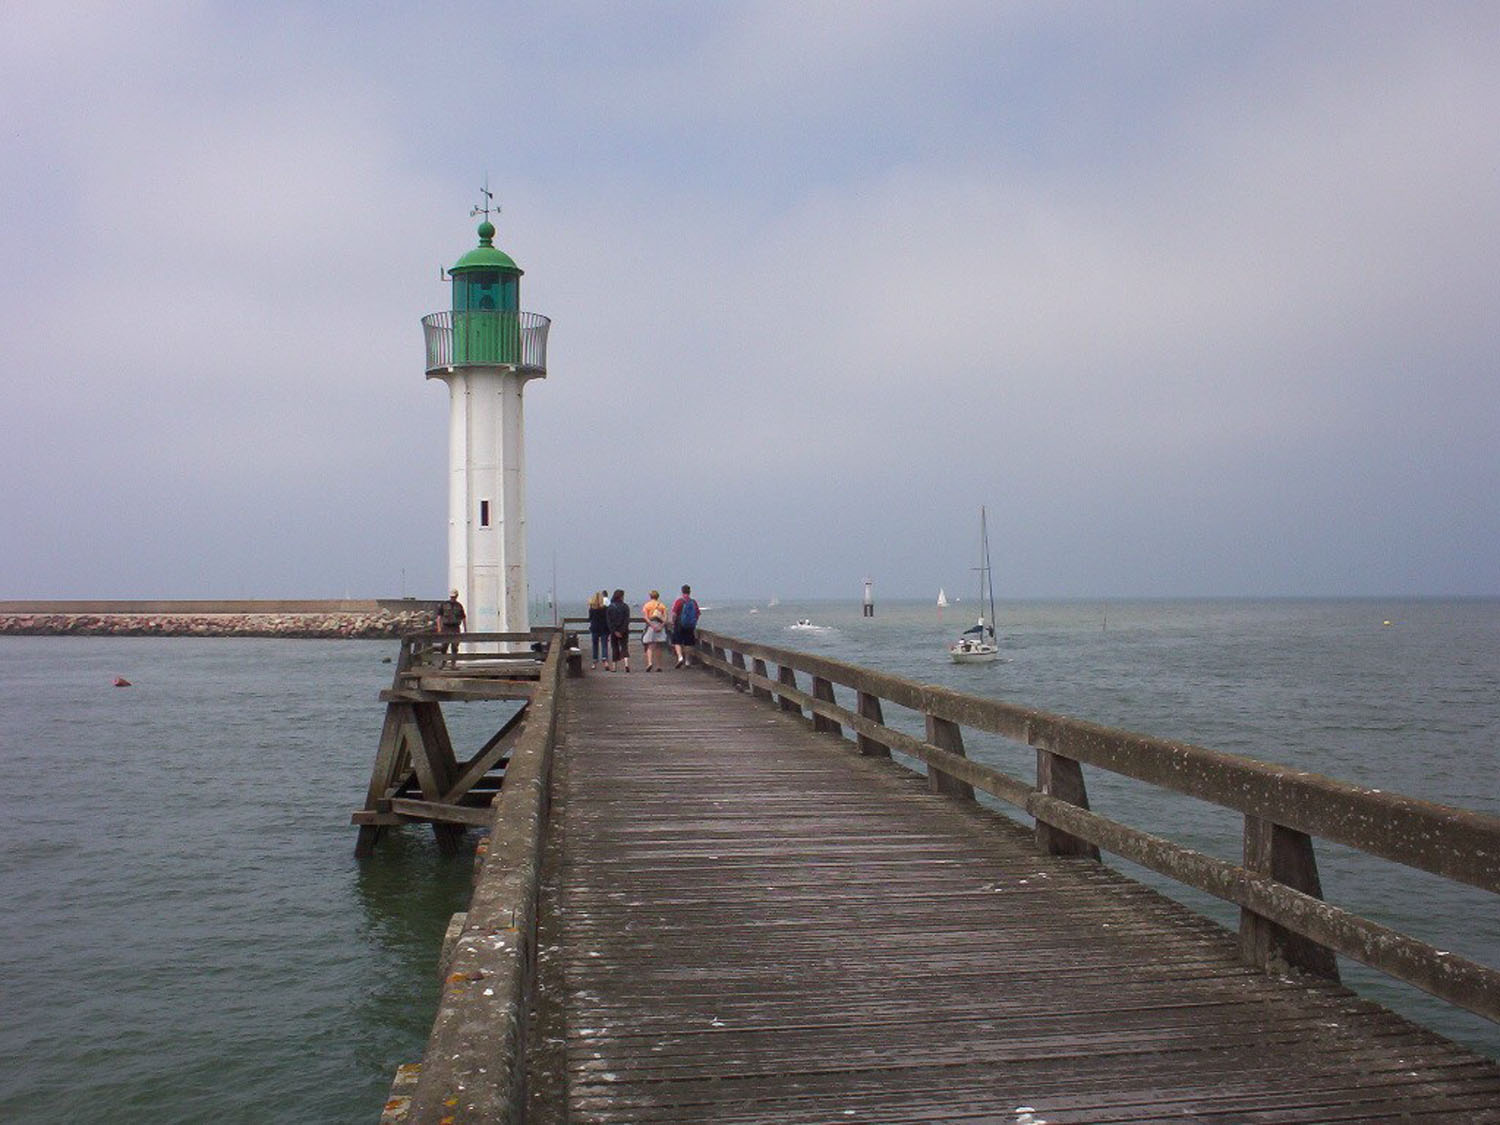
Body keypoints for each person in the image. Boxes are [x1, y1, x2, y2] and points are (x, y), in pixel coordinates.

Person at [670, 584, 700, 669]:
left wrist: (673, 622)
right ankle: (687, 661)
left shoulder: (679, 601)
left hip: (679, 625)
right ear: (690, 592)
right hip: (690, 626)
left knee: (677, 642)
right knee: (688, 643)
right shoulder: (693, 602)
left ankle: (680, 657)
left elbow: (674, 614)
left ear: (682, 591)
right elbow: (697, 614)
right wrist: (693, 623)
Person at [640, 589, 669, 671]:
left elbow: (646, 617)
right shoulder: (662, 605)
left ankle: (650, 663)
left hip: (651, 626)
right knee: (658, 646)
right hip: (659, 625)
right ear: (658, 596)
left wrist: (652, 625)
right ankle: (659, 665)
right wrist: (661, 626)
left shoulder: (647, 605)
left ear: (650, 596)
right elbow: (665, 617)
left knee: (649, 645)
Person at [435, 588, 466, 664]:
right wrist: (439, 628)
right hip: (446, 627)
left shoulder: (459, 606)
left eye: (454, 597)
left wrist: (465, 629)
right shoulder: (444, 605)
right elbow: (439, 617)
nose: (453, 598)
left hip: (455, 627)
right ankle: (443, 662)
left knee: (455, 646)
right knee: (444, 646)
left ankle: (453, 664)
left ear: (457, 596)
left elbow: (463, 617)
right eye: (452, 597)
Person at [604, 588, 631, 672]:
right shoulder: (625, 606)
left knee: (615, 647)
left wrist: (614, 631)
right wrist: (622, 630)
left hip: (614, 631)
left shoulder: (610, 607)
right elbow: (627, 620)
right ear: (621, 597)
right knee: (624, 646)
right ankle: (626, 664)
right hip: (624, 631)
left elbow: (609, 621)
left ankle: (614, 666)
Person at [586, 590, 610, 668]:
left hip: (595, 628)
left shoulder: (592, 609)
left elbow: (590, 618)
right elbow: (608, 618)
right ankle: (605, 661)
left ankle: (594, 662)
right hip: (604, 628)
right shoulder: (605, 609)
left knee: (595, 645)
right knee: (604, 645)